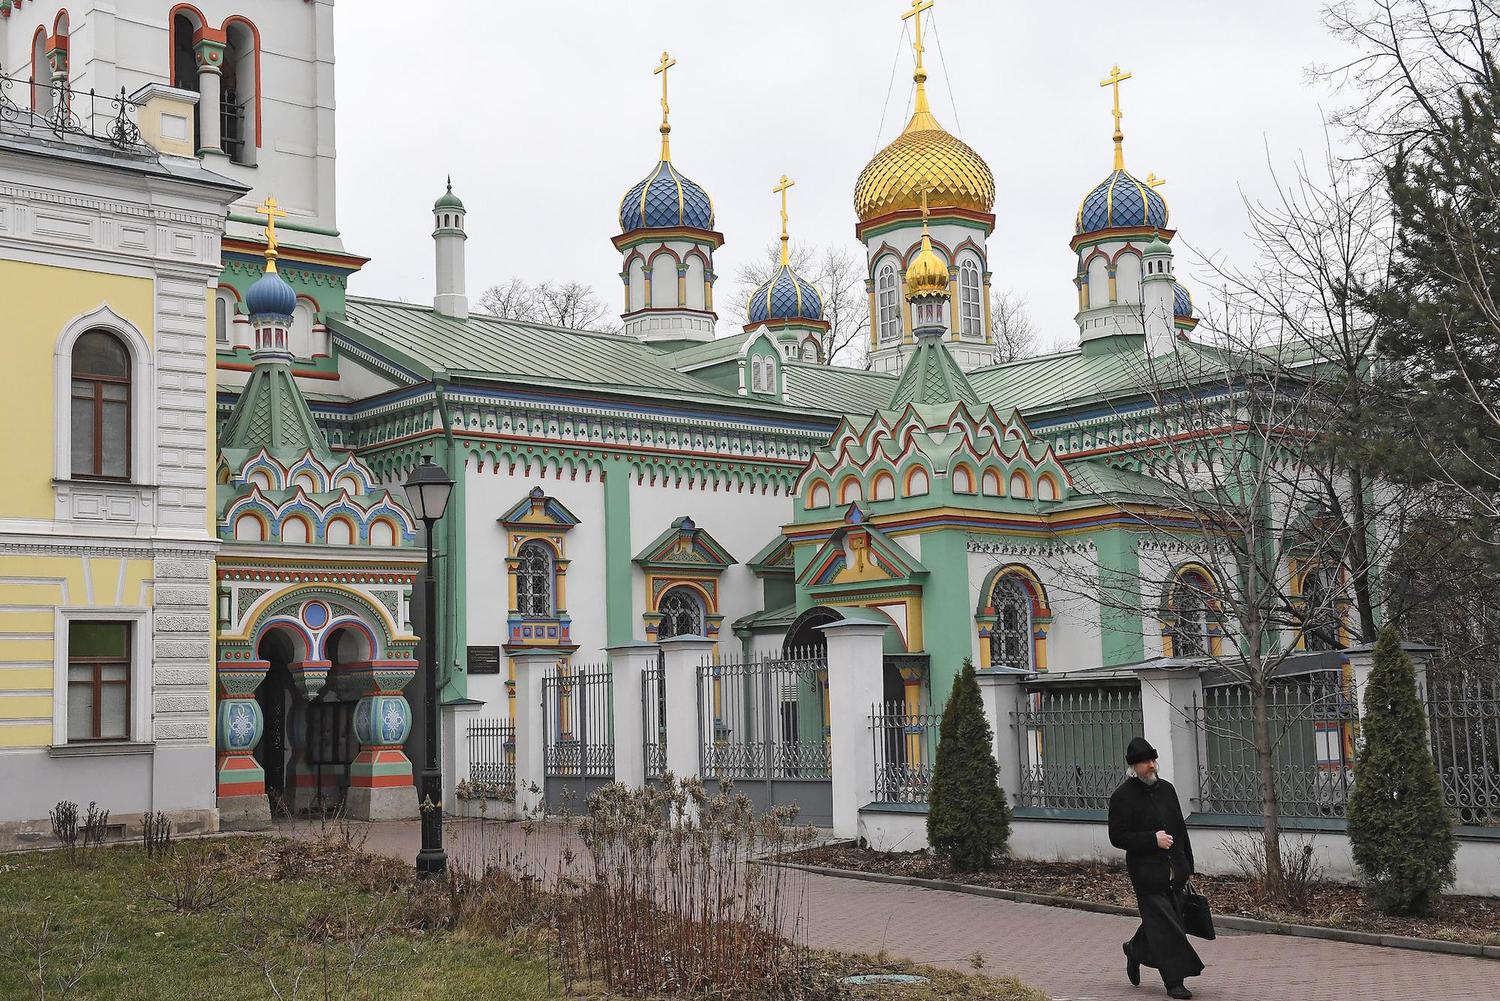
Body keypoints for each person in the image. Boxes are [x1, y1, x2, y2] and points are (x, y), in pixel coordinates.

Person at [1108, 736, 1204, 999]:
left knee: (1165, 921)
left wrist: (1188, 865)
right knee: (1168, 927)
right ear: (1134, 767)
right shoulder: (1122, 798)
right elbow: (1117, 837)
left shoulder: (1167, 790)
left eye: (1153, 760)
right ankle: (1175, 981)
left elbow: (1180, 830)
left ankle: (1134, 949)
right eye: (1146, 762)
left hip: (1175, 871)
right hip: (1146, 874)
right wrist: (1152, 839)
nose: (1152, 765)